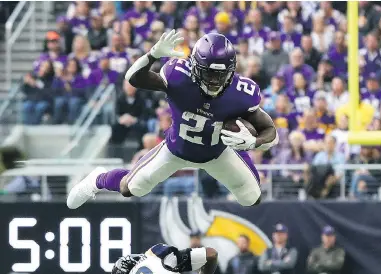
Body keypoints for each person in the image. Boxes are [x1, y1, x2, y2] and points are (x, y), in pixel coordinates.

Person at [67, 31, 278, 210]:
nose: (214, 81)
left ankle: (240, 153)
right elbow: (133, 78)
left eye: (220, 75)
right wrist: (152, 55)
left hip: (217, 153)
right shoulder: (178, 77)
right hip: (175, 149)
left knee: (251, 198)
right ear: (195, 67)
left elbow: (269, 130)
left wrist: (253, 142)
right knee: (130, 188)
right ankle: (97, 180)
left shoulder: (242, 92)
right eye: (209, 74)